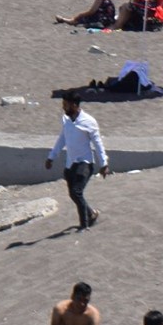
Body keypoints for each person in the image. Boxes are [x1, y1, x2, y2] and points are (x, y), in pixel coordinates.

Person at [45, 94, 109, 229]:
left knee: (76, 192)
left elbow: (98, 144)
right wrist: (52, 156)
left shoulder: (89, 121)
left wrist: (103, 163)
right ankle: (91, 214)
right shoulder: (66, 120)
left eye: (66, 105)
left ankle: (84, 225)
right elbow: (62, 138)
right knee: (73, 194)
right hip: (70, 164)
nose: (63, 108)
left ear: (74, 105)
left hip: (85, 163)